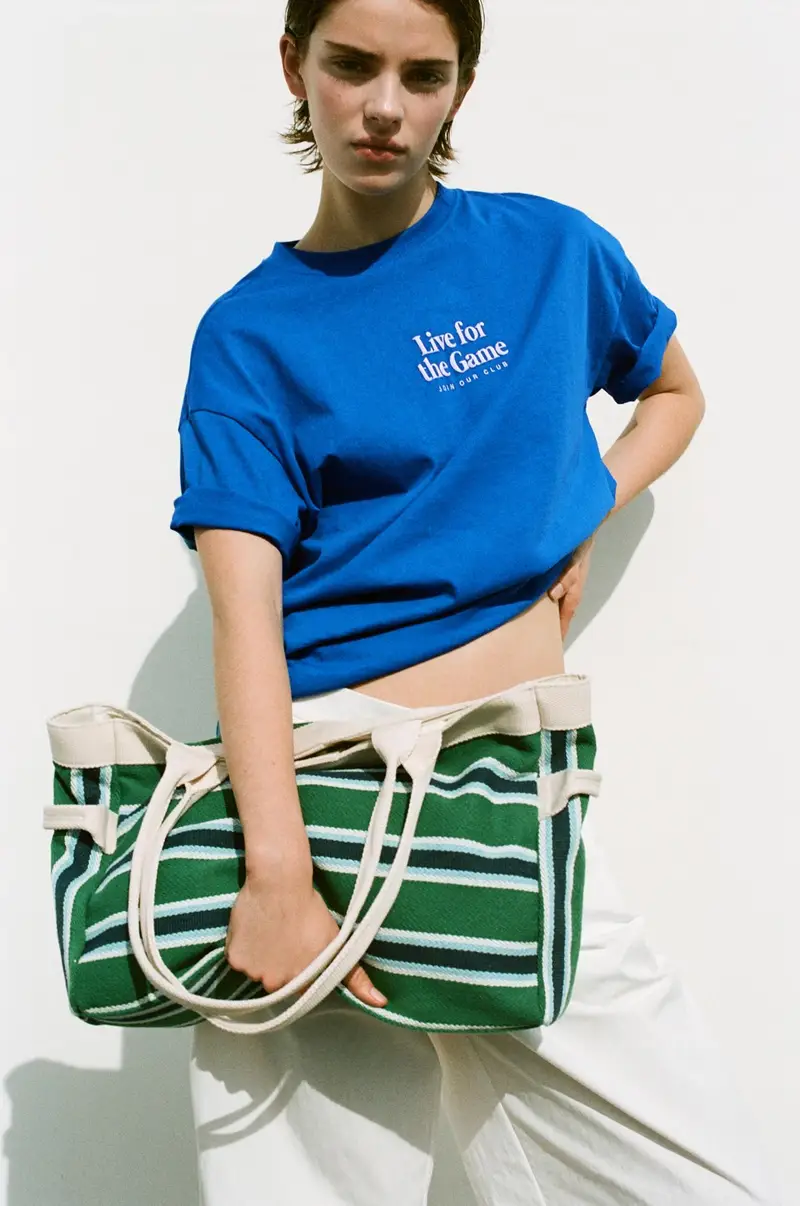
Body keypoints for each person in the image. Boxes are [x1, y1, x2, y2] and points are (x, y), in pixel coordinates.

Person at [169, 1, 780, 1202]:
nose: (382, 108)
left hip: (506, 789)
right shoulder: (247, 335)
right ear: (293, 65)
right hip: (324, 794)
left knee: (701, 1182)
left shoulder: (549, 252)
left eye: (422, 75)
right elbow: (245, 621)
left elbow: (671, 393)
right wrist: (277, 872)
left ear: (461, 85)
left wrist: (584, 507)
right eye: (350, 66)